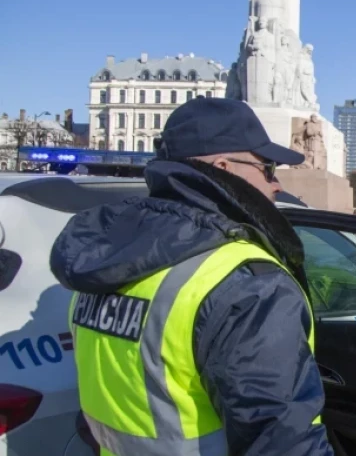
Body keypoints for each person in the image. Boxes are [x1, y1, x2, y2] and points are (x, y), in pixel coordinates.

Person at [51, 97, 334, 455]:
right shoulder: (247, 281)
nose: (276, 183)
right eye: (267, 167)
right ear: (224, 167)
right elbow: (283, 441)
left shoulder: (100, 265)